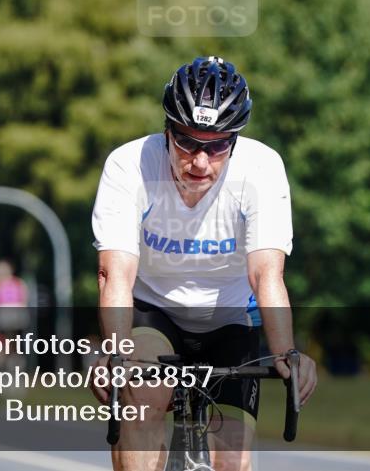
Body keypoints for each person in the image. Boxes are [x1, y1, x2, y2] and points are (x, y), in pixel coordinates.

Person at [91, 56, 318, 471]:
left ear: (235, 139)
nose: (200, 162)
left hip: (231, 317)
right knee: (142, 397)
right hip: (153, 312)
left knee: (233, 460)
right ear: (167, 130)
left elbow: (265, 273)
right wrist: (115, 353)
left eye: (216, 147)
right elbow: (115, 274)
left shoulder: (261, 169)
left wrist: (286, 350)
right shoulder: (129, 165)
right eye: (187, 142)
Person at [0, 259, 30, 333]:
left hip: (15, 310)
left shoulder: (17, 282)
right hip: (3, 311)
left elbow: (24, 294)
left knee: (13, 333)